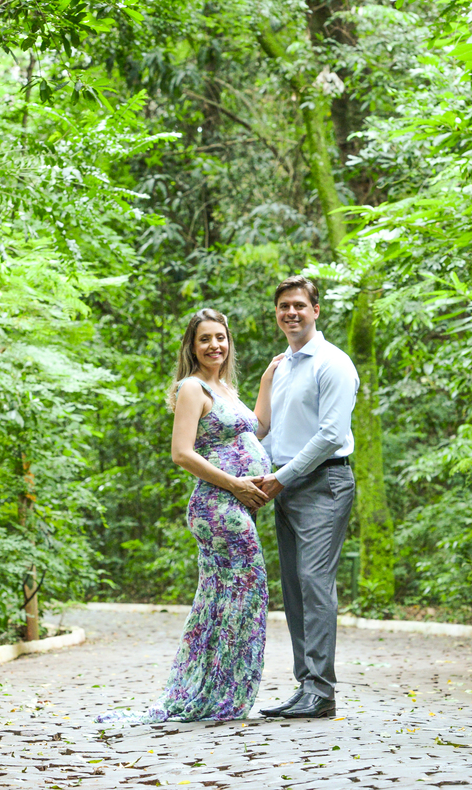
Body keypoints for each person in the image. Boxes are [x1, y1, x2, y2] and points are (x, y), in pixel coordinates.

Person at [97, 308, 280, 724]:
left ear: (229, 342)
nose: (215, 345)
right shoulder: (192, 387)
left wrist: (268, 378)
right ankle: (216, 692)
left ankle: (215, 690)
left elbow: (258, 428)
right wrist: (235, 484)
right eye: (205, 339)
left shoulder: (225, 388)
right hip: (216, 506)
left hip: (234, 505)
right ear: (192, 347)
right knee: (243, 592)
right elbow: (181, 453)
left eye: (221, 337)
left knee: (225, 599)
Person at [252, 276, 359, 719]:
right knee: (295, 588)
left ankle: (321, 691)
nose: (291, 312)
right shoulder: (282, 366)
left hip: (323, 483)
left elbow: (331, 435)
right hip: (286, 486)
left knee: (315, 583)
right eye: (283, 306)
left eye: (299, 304)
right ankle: (306, 686)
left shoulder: (333, 363)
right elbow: (271, 431)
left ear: (316, 310)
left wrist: (281, 478)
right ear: (276, 314)